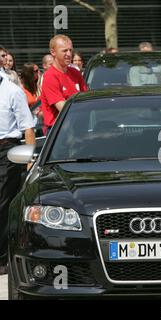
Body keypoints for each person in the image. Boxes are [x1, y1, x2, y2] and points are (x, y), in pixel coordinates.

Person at [0, 72, 36, 275]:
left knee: (2, 201)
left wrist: (30, 161)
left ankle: (2, 257)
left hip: (7, 151)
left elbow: (28, 128)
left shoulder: (13, 91)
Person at [40, 35, 88, 134]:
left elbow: (86, 99)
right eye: (64, 51)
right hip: (59, 132)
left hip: (78, 127)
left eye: (70, 50)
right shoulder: (50, 77)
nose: (69, 54)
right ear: (53, 52)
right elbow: (64, 108)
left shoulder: (75, 72)